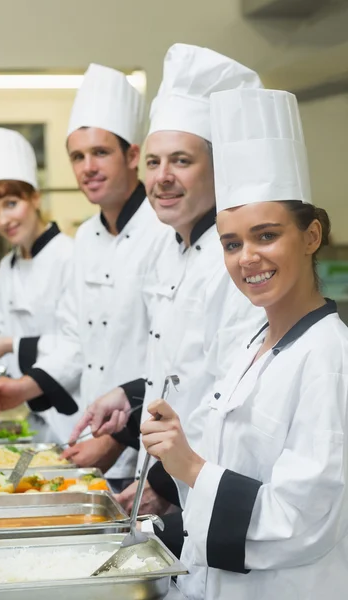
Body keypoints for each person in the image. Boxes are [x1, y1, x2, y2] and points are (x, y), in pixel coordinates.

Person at [139, 88, 348, 599]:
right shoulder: (256, 342)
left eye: (267, 235)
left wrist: (187, 465)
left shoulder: (329, 358)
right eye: (232, 243)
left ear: (312, 235)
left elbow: (302, 520)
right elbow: (232, 467)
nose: (246, 257)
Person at [70, 44, 266, 514]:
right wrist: (131, 396)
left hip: (206, 479)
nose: (162, 178)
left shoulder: (234, 263)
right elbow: (179, 372)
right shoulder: (169, 250)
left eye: (181, 161)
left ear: (217, 169)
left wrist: (164, 478)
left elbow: (229, 398)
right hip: (164, 473)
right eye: (154, 163)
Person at [0, 65, 168, 491]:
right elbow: (73, 339)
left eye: (100, 152)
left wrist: (120, 434)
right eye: (77, 156)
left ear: (132, 156)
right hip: (89, 432)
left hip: (151, 444)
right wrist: (22, 387)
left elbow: (172, 358)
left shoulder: (164, 231)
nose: (87, 167)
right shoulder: (88, 239)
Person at [0, 127, 76, 441]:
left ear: (35, 197)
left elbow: (81, 343)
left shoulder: (69, 255)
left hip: (74, 414)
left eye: (11, 203)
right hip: (32, 418)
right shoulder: (7, 267)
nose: (3, 219)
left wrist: (9, 344)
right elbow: (3, 353)